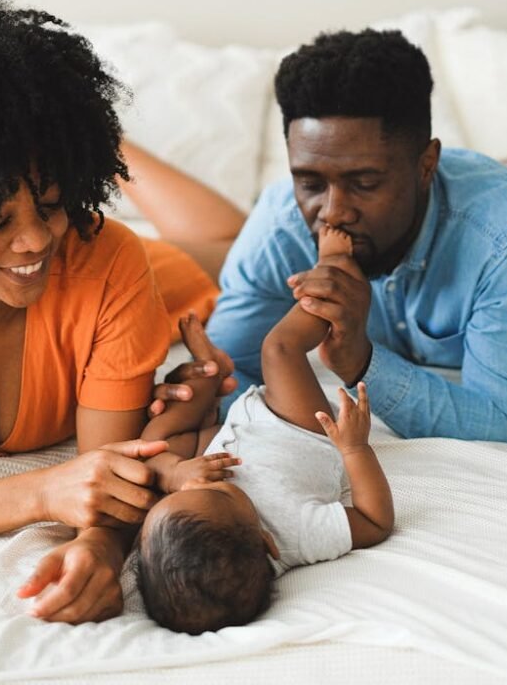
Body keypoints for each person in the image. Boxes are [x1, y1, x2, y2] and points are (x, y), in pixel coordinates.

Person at [0, 0, 230, 625]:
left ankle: (96, 141)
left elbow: (110, 476)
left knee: (234, 242)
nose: (36, 239)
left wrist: (100, 542)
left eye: (52, 201)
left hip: (169, 278)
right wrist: (41, 491)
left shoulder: (106, 256)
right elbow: (79, 483)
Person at [152, 29, 507, 446]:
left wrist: (361, 362)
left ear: (426, 164)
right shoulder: (279, 224)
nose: (332, 212)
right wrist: (202, 394)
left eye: (364, 183)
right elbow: (237, 373)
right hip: (499, 179)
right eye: (311, 182)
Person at [136, 225, 394, 634]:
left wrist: (175, 474)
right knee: (278, 351)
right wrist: (355, 450)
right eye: (217, 490)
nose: (198, 483)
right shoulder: (299, 534)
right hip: (296, 429)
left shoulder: (181, 526)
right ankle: (335, 271)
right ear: (267, 543)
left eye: (179, 496)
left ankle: (210, 372)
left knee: (151, 446)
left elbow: (164, 473)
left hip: (224, 433)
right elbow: (375, 520)